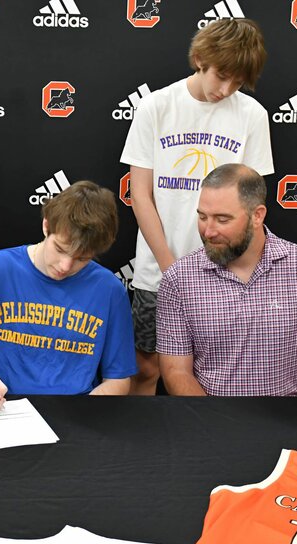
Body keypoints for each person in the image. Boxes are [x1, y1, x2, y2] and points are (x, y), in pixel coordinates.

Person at [120, 18, 274, 395]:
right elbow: (140, 195)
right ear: (200, 59)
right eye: (221, 75)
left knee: (215, 371)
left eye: (237, 82)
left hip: (225, 272)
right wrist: (173, 272)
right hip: (159, 270)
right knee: (147, 368)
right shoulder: (156, 106)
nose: (226, 89)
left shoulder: (252, 115)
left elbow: (249, 200)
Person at [156, 164, 297, 408]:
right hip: (210, 424)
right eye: (202, 217)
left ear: (257, 215)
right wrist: (214, 426)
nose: (208, 231)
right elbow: (176, 371)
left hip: (287, 427)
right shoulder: (179, 279)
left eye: (222, 219)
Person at [0, 181, 137, 413]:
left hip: (80, 412)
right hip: (7, 408)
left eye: (82, 258)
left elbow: (118, 380)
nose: (66, 265)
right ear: (46, 226)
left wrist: (83, 413)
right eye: (60, 249)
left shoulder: (109, 289)